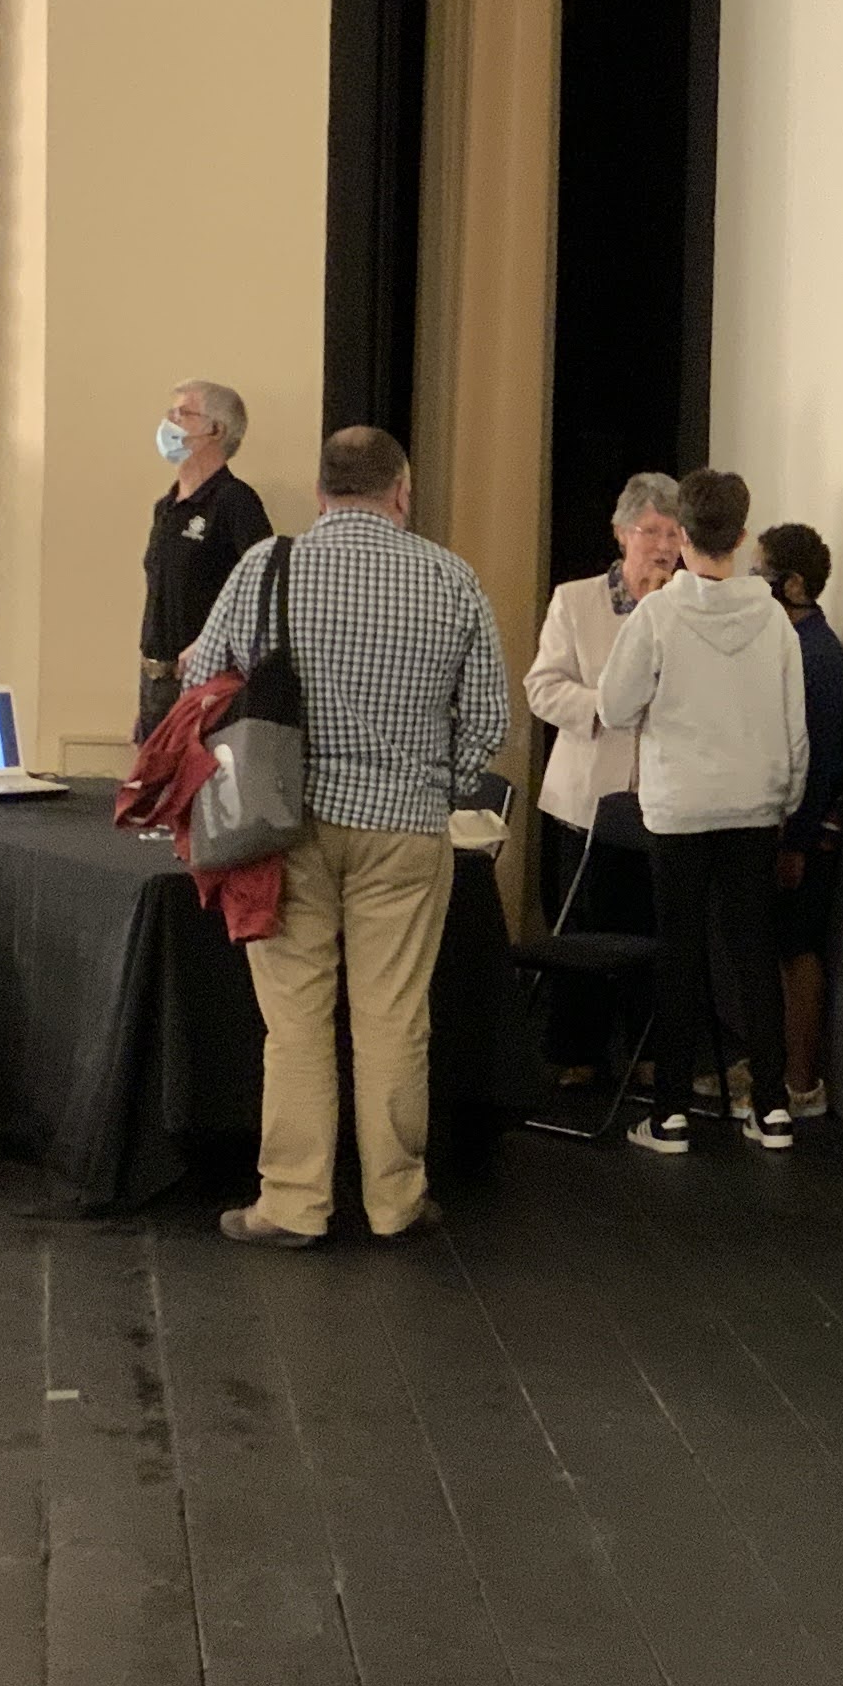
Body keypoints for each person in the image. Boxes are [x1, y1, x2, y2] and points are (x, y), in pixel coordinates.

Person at [173, 427, 508, 1246]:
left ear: (321, 492)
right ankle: (396, 1201)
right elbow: (488, 719)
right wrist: (434, 781)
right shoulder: (451, 577)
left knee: (295, 1021)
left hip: (283, 820)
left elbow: (200, 679)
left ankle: (292, 1202)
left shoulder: (267, 566)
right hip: (405, 828)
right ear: (402, 491)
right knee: (394, 1019)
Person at [596, 468, 806, 1155]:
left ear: (682, 534)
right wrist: (785, 800)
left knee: (679, 954)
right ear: (742, 538)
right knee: (754, 953)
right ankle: (772, 1110)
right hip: (755, 805)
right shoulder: (773, 619)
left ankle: (670, 1117)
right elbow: (795, 726)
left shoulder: (658, 616)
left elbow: (614, 707)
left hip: (679, 806)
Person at [520, 472, 681, 1062]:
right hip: (586, 799)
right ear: (621, 533)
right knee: (584, 930)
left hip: (662, 801)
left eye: (674, 533)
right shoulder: (576, 600)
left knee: (652, 932)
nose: (663, 546)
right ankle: (576, 1057)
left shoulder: (687, 608)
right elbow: (542, 688)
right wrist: (605, 707)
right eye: (650, 531)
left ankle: (647, 1058)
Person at [756, 521, 843, 1119]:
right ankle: (773, 1069)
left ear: (793, 584)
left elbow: (819, 760)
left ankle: (800, 1083)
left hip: (805, 834)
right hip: (786, 825)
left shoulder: (818, 655)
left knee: (798, 949)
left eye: (762, 572)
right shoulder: (790, 645)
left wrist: (795, 841)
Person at [137, 379, 275, 741]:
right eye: (170, 413)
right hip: (156, 680)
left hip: (206, 682)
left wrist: (208, 642)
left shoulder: (235, 502)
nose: (169, 423)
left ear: (216, 430)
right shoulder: (166, 507)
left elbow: (264, 589)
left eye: (182, 414)